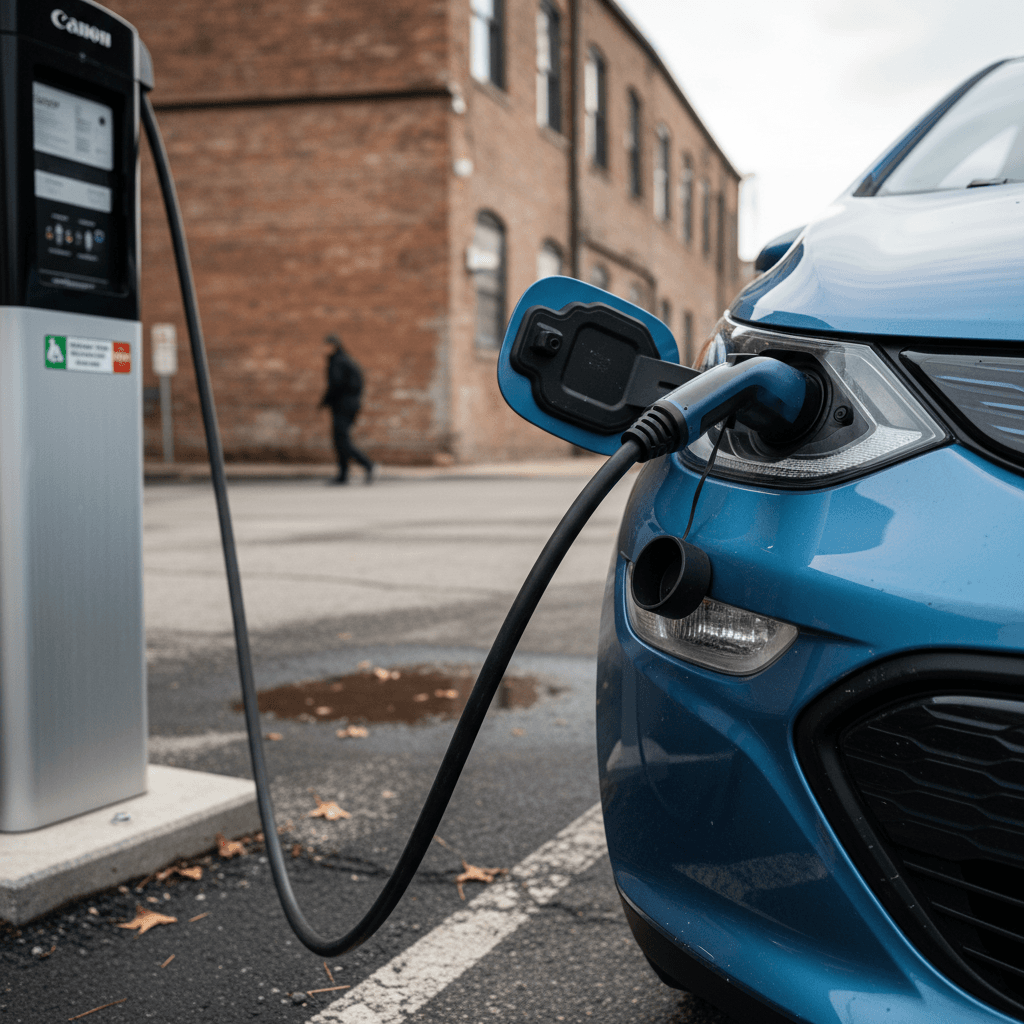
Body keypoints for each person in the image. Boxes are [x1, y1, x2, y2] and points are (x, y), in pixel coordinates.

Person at [320, 334, 375, 484]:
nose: (324, 349)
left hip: (343, 405)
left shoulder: (337, 362)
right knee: (340, 440)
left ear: (334, 346)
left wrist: (325, 401)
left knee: (341, 440)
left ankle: (366, 464)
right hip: (349, 404)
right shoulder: (344, 360)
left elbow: (336, 385)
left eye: (326, 346)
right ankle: (343, 474)